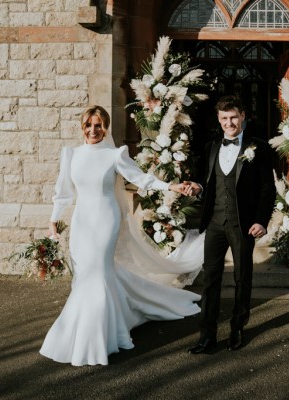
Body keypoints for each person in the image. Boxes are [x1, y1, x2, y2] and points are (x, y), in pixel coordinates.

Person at [39, 105, 200, 366]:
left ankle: (98, 339)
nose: (93, 130)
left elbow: (141, 179)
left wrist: (170, 185)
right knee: (84, 276)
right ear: (83, 126)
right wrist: (53, 220)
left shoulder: (115, 155)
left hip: (106, 220)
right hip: (82, 223)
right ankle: (96, 328)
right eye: (89, 125)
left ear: (106, 127)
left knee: (99, 274)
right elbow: (64, 192)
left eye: (99, 125)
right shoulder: (71, 154)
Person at [185, 95, 276, 354]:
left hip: (243, 224)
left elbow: (267, 189)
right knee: (210, 280)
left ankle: (237, 328)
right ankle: (207, 336)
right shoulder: (211, 146)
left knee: (241, 277)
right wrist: (197, 187)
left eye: (233, 117)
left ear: (243, 116)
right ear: (218, 119)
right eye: (224, 118)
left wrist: (262, 220)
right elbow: (207, 182)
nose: (229, 122)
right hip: (214, 223)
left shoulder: (258, 148)